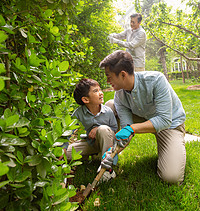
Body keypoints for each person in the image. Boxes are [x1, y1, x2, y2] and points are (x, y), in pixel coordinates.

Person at [99, 50, 186, 184]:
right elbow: (126, 129)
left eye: (109, 76)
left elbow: (164, 120)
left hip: (170, 124)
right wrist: (112, 151)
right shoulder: (119, 95)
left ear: (122, 74)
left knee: (171, 177)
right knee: (110, 106)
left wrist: (132, 128)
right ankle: (108, 162)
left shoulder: (156, 80)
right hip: (143, 118)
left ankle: (174, 146)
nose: (107, 80)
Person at [66, 78, 118, 181]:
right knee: (66, 154)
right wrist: (63, 147)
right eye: (96, 91)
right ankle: (90, 155)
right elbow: (68, 130)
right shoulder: (79, 113)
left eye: (100, 90)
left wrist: (97, 128)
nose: (101, 93)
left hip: (107, 143)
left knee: (103, 129)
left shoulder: (107, 111)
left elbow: (114, 129)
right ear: (85, 100)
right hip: (91, 143)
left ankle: (107, 169)